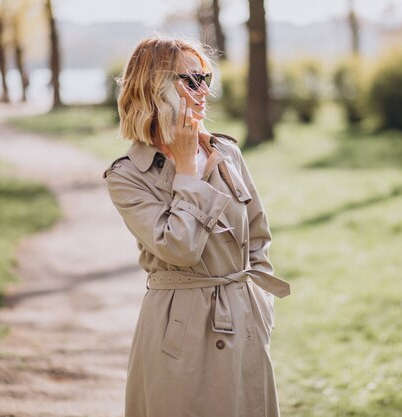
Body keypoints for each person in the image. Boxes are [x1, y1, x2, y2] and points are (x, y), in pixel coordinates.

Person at [103, 36, 291, 417]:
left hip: (243, 321)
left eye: (205, 77)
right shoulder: (127, 176)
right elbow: (180, 248)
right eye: (190, 80)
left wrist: (261, 307)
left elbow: (257, 235)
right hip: (179, 333)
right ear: (153, 88)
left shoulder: (227, 152)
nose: (204, 89)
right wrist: (187, 171)